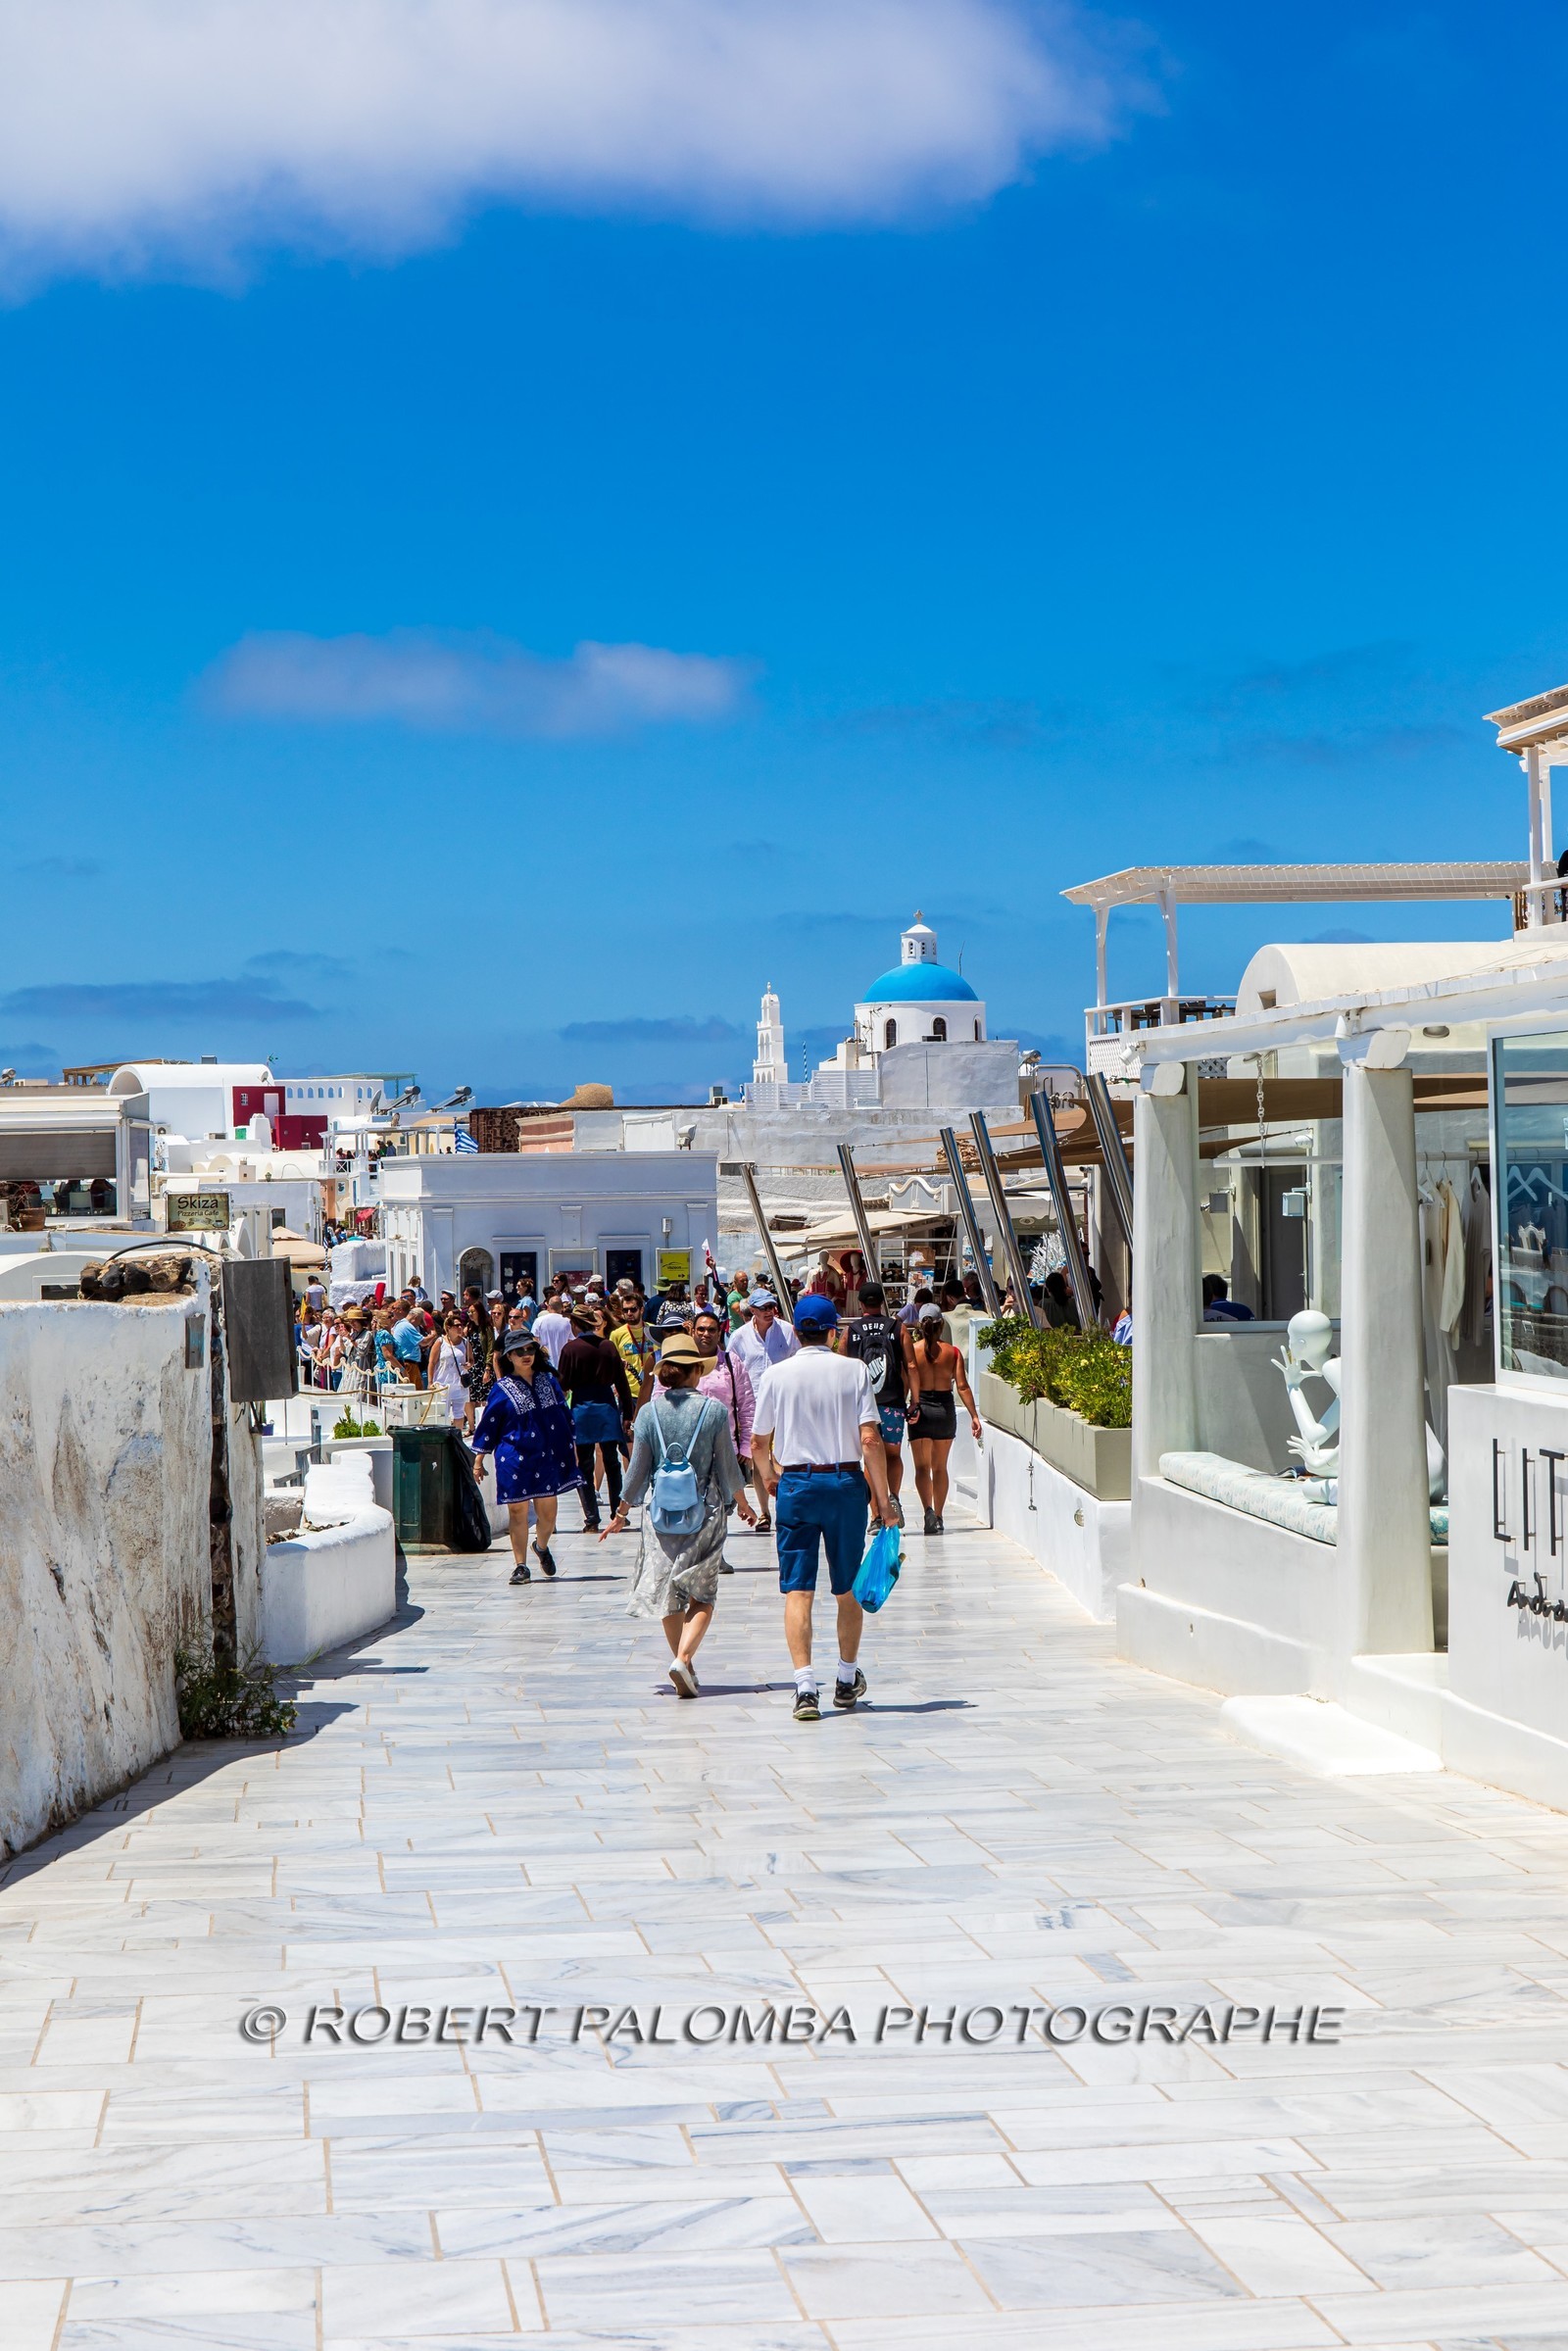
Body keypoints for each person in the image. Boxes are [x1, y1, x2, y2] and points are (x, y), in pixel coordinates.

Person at [749, 1293, 896, 1723]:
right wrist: (884, 1504)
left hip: (797, 1484)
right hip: (846, 1483)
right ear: (835, 1333)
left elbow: (758, 1443)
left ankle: (805, 1687)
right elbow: (870, 1440)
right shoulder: (852, 1371)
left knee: (799, 1588)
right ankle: (846, 1679)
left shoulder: (777, 1375)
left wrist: (773, 1478)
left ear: (795, 1331)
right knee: (846, 1585)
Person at [601, 1332, 756, 1697]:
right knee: (702, 1593)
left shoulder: (647, 1414)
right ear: (695, 1373)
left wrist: (621, 1513)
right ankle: (684, 1659)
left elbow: (637, 1470)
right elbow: (728, 1467)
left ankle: (683, 1662)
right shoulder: (714, 1412)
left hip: (660, 1517)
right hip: (706, 1511)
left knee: (668, 1594)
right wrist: (744, 1503)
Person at [470, 1328, 582, 1582]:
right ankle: (520, 1566)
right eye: (519, 1351)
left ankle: (541, 1547)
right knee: (518, 1513)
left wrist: (572, 1447)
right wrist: (478, 1460)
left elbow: (564, 1416)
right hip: (513, 1458)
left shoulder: (548, 1381)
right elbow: (489, 1424)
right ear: (509, 1356)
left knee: (548, 1515)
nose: (526, 1355)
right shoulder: (501, 1389)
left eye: (529, 1349)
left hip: (545, 1456)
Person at [727, 1288, 800, 1533]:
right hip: (753, 1406)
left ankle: (784, 1510)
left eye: (772, 1306)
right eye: (764, 1308)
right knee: (759, 1463)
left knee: (781, 1458)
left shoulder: (788, 1331)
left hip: (783, 1404)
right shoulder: (739, 1337)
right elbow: (732, 1371)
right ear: (753, 1311)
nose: (770, 1311)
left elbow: (800, 1362)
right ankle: (764, 1512)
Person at [906, 1300, 981, 1535]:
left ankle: (927, 1509)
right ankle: (938, 1516)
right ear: (941, 1325)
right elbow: (963, 1387)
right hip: (945, 1411)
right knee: (940, 1468)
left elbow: (906, 1382)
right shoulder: (953, 1352)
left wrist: (906, 1407)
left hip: (920, 1411)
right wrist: (974, 1416)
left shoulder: (913, 1350)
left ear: (920, 1325)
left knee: (921, 1468)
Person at [838, 1279, 907, 1528]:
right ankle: (894, 1497)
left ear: (860, 1304)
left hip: (863, 1406)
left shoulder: (852, 1331)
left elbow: (842, 1366)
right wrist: (914, 1400)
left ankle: (876, 1513)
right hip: (893, 1403)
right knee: (893, 1454)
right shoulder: (897, 1328)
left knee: (870, 1455)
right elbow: (908, 1366)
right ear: (882, 1302)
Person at [691, 1307, 757, 1571]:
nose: (706, 1334)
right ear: (692, 1331)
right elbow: (661, 1399)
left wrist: (745, 1446)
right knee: (691, 1502)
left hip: (724, 1448)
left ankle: (715, 1555)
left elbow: (746, 1404)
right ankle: (695, 1555)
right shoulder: (682, 1361)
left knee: (722, 1505)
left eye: (712, 1330)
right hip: (688, 1448)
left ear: (720, 1333)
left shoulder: (731, 1363)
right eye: (701, 1329)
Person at [559, 1305, 634, 1531]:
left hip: (581, 1408)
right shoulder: (608, 1346)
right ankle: (616, 1513)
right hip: (607, 1408)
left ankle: (591, 1519)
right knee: (612, 1462)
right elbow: (621, 1382)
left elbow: (563, 1384)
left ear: (575, 1324)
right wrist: (628, 1414)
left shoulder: (570, 1349)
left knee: (584, 1464)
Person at [428, 1312, 471, 1426]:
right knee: (443, 1414)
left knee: (459, 1413)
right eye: (456, 1325)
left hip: (459, 1383)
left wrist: (469, 1364)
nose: (460, 1328)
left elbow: (471, 1359)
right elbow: (432, 1362)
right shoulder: (440, 1342)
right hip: (442, 1383)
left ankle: (457, 1438)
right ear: (449, 1327)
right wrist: (430, 1382)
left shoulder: (465, 1342)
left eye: (461, 1325)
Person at [532, 1289, 572, 1368]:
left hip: (545, 1364)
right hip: (564, 1364)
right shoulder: (568, 1322)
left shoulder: (539, 1321)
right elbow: (571, 1342)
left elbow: (534, 1340)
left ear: (549, 1307)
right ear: (562, 1307)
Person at [389, 1303, 425, 1386]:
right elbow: (423, 1342)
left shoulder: (399, 1324)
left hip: (408, 1363)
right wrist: (433, 1334)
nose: (419, 1324)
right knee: (411, 1392)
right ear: (415, 1318)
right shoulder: (407, 1326)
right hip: (408, 1364)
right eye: (420, 1321)